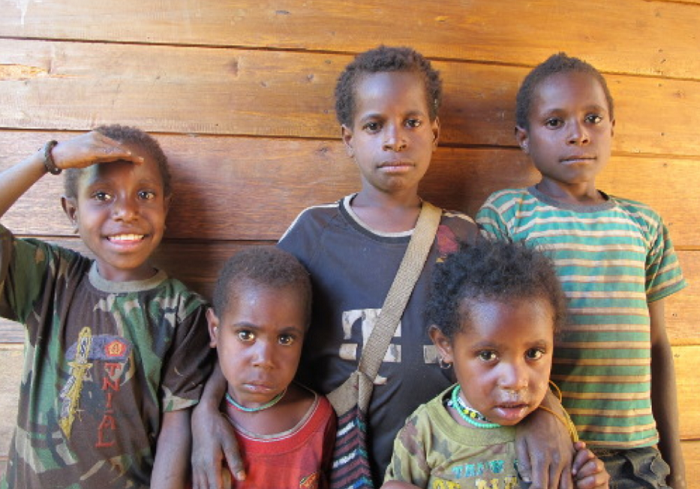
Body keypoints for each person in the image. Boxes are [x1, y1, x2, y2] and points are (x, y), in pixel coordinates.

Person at [192, 46, 576, 489]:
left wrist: (545, 410)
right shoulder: (315, 232)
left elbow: (516, 341)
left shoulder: (464, 237)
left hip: (451, 469)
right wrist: (206, 410)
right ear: (348, 138)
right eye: (374, 125)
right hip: (339, 467)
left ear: (434, 132)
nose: (395, 139)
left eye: (412, 122)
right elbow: (246, 325)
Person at [476, 53, 687, 489]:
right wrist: (542, 414)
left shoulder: (644, 225)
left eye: (593, 118)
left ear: (613, 127)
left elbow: (658, 348)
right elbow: (487, 337)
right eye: (555, 122)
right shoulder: (507, 215)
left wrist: (675, 464)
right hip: (541, 450)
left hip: (637, 459)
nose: (578, 134)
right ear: (524, 137)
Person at [0, 126, 213, 489]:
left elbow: (174, 436)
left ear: (166, 205)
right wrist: (46, 160)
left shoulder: (182, 312)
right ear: (72, 212)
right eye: (101, 195)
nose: (127, 211)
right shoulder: (48, 278)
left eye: (145, 194)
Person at [382, 240, 609, 489]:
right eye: (488, 355)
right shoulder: (424, 432)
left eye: (534, 353)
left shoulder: (554, 427)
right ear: (445, 345)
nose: (515, 380)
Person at [205, 246, 336, 488]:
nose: (265, 359)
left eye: (285, 339)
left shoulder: (319, 419)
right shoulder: (196, 415)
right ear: (215, 329)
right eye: (246, 334)